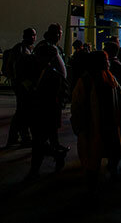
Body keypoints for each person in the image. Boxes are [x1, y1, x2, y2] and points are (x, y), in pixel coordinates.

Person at [71, 51, 121, 189]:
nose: (109, 62)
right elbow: (77, 106)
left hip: (104, 124)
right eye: (106, 60)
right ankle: (99, 178)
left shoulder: (104, 78)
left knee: (103, 152)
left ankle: (100, 176)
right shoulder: (94, 80)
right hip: (95, 124)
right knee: (101, 152)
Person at [27, 24, 69, 179]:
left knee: (43, 137)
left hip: (46, 104)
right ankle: (56, 155)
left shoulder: (49, 51)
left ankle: (49, 159)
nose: (59, 36)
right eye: (58, 33)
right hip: (47, 104)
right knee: (44, 137)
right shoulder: (49, 51)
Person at [3, 27, 35, 148]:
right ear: (25, 36)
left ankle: (14, 137)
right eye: (32, 35)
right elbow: (19, 69)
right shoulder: (21, 50)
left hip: (21, 84)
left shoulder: (25, 49)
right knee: (23, 112)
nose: (34, 37)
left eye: (34, 35)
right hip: (22, 85)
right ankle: (24, 137)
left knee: (21, 112)